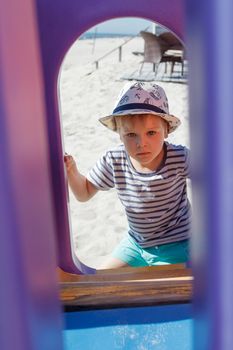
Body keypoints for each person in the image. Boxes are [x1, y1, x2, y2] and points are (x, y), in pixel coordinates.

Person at [64, 82, 191, 269]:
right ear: (119, 134)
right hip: (135, 245)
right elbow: (84, 193)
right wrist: (71, 171)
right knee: (101, 282)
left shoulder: (180, 157)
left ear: (166, 131)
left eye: (151, 133)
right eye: (131, 134)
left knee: (167, 293)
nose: (142, 143)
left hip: (178, 245)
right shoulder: (114, 160)